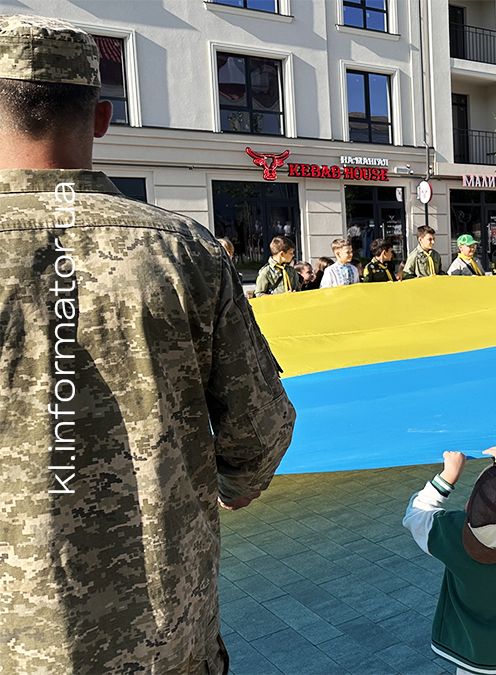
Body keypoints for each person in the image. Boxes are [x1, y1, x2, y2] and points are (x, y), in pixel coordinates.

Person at [0, 16, 296, 670]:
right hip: (164, 640)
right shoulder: (182, 252)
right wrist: (237, 480)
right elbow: (261, 425)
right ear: (102, 117)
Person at [402, 447, 496, 675]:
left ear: (471, 505)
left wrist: (447, 477)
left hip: (475, 659)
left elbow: (416, 515)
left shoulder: (452, 533)